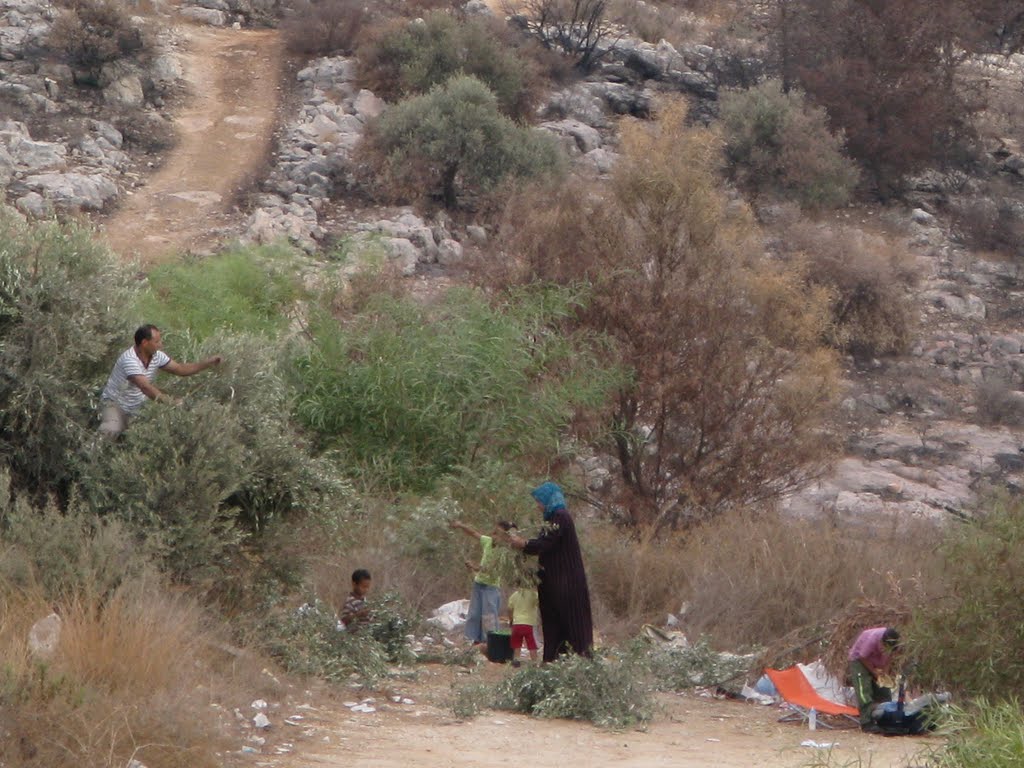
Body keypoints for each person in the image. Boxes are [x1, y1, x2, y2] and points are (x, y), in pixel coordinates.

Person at [504, 482, 593, 662]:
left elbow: (545, 543)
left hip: (567, 586)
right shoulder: (553, 519)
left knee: (572, 626)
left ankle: (580, 664)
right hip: (555, 585)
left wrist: (524, 544)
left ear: (548, 499)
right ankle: (554, 663)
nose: (538, 506)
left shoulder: (561, 517)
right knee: (554, 626)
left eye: (539, 502)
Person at [99, 324, 222, 438]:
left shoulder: (157, 356)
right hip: (115, 404)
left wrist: (207, 363)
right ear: (145, 343)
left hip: (137, 408)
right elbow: (145, 387)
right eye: (157, 341)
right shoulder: (129, 360)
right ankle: (93, 455)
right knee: (111, 429)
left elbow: (180, 369)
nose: (161, 345)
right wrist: (171, 402)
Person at [450, 519, 515, 645]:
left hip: (491, 586)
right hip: (479, 583)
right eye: (494, 532)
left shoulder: (503, 552)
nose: (494, 535)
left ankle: (491, 641)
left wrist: (476, 567)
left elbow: (493, 570)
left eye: (498, 533)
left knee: (489, 615)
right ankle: (472, 639)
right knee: (474, 613)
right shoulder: (488, 542)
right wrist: (461, 525)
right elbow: (474, 533)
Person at [848, 626, 901, 731]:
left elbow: (890, 657)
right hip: (860, 661)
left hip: (877, 662)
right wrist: (874, 672)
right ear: (882, 642)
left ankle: (885, 719)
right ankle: (866, 722)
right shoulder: (872, 639)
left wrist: (884, 673)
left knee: (883, 690)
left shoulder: (892, 645)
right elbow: (863, 656)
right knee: (864, 690)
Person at [507, 580, 540, 666]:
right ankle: (534, 662)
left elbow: (510, 609)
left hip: (517, 624)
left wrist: (511, 620)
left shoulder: (514, 595)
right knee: (532, 645)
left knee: (517, 644)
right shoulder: (533, 595)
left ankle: (516, 659)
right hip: (529, 624)